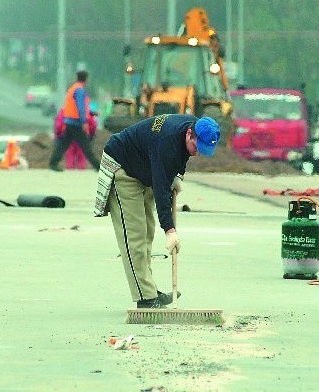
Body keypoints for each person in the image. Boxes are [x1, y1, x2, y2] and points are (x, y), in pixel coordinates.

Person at [93, 114, 221, 309]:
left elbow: (181, 156)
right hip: (123, 168)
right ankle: (145, 298)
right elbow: (162, 192)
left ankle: (149, 289)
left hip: (144, 168)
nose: (197, 153)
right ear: (189, 134)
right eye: (196, 147)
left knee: (147, 233)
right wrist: (170, 231)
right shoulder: (167, 142)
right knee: (134, 235)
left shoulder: (193, 127)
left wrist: (178, 175)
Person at [48, 70, 100, 171]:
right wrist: (84, 122)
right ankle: (97, 166)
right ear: (86, 79)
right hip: (76, 123)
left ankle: (53, 163)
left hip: (69, 121)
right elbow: (80, 106)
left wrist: (91, 113)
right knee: (86, 146)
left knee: (63, 144)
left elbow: (77, 107)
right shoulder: (79, 90)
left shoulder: (73, 88)